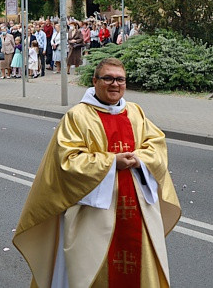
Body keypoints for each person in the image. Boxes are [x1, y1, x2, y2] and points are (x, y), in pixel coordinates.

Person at [13, 58, 181, 287]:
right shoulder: (77, 117)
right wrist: (112, 162)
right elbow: (67, 162)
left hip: (135, 209)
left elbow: (156, 145)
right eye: (108, 78)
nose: (115, 84)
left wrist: (139, 159)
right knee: (91, 271)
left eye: (120, 79)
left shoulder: (135, 113)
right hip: (93, 215)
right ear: (95, 81)